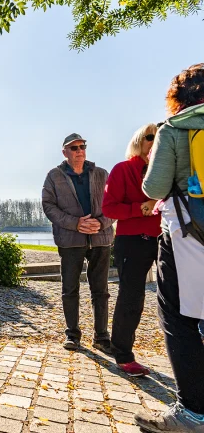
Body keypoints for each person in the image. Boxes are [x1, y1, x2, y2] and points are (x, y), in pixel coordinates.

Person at [135, 64, 204, 432]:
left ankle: (192, 414)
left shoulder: (175, 128)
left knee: (179, 318)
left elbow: (155, 187)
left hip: (187, 236)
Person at [42, 133, 115, 352]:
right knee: (69, 289)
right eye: (74, 148)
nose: (79, 151)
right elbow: (48, 206)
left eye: (82, 146)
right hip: (70, 240)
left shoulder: (102, 174)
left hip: (100, 239)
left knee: (101, 290)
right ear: (64, 152)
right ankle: (72, 335)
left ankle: (101, 337)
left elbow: (115, 203)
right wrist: (75, 224)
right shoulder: (54, 176)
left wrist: (101, 223)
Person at [102, 123, 161, 377]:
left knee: (177, 295)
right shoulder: (122, 169)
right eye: (150, 137)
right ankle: (123, 355)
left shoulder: (170, 171)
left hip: (166, 239)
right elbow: (109, 208)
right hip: (132, 241)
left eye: (160, 137)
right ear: (139, 141)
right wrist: (141, 208)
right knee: (132, 297)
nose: (155, 141)